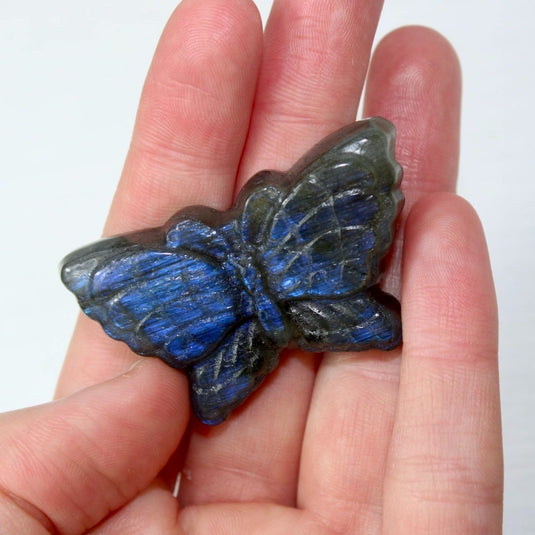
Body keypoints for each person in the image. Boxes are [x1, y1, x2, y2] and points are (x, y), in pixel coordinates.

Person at [0, 0, 502, 532]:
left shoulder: (200, 255)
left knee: (375, 330)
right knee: (352, 336)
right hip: (305, 290)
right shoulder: (269, 225)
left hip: (246, 322)